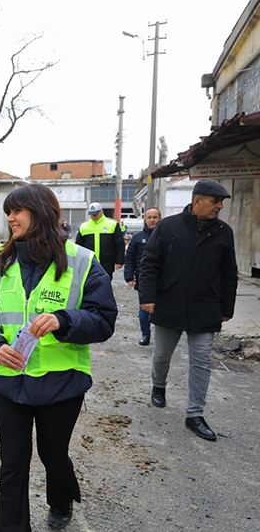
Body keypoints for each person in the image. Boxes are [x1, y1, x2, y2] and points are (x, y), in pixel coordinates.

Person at [0, 184, 117, 531]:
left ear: (40, 213)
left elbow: (104, 320)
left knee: (52, 455)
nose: (10, 218)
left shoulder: (82, 261)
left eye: (17, 211)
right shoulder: (2, 264)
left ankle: (62, 498)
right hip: (9, 381)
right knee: (13, 461)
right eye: (9, 212)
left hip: (61, 382)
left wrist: (64, 320)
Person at [139, 179, 238, 441]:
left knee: (202, 361)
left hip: (206, 306)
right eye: (215, 202)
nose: (219, 206)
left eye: (221, 202)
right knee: (162, 354)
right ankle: (158, 386)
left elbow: (229, 273)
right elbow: (149, 263)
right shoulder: (168, 227)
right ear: (197, 201)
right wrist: (147, 296)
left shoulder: (223, 232)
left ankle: (195, 414)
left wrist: (227, 307)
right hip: (169, 303)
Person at [123, 207, 162, 346]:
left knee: (162, 309)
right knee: (144, 309)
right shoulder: (138, 238)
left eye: (155, 217)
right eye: (149, 217)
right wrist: (129, 276)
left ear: (160, 219)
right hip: (144, 280)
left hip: (163, 280)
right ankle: (145, 335)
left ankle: (161, 338)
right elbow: (130, 258)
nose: (152, 220)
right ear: (145, 219)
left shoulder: (167, 237)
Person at [75, 202, 125, 279]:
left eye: (96, 214)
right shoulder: (84, 226)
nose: (94, 216)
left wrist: (119, 261)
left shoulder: (112, 224)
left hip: (107, 263)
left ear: (102, 212)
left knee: (105, 283)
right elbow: (78, 246)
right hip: (89, 263)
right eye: (92, 214)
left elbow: (119, 244)